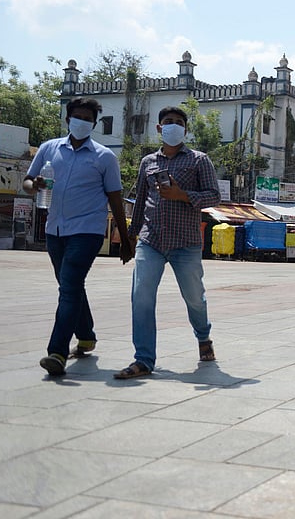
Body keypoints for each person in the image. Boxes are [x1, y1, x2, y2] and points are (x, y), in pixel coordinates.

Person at [24, 97, 133, 376]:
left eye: (88, 119)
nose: (83, 122)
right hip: (55, 230)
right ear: (67, 119)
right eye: (78, 117)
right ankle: (86, 336)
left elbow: (115, 197)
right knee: (70, 285)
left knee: (69, 286)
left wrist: (125, 237)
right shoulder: (49, 148)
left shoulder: (104, 157)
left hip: (88, 231)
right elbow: (27, 181)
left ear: (93, 124)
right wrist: (33, 185)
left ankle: (57, 352)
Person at [114, 106, 221, 379]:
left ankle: (203, 336)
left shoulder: (199, 161)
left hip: (185, 242)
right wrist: (131, 236)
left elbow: (213, 196)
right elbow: (140, 200)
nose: (173, 126)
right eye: (167, 122)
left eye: (178, 123)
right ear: (159, 129)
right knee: (141, 297)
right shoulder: (148, 162)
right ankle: (144, 359)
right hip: (151, 241)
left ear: (185, 130)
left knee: (194, 298)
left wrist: (182, 195)